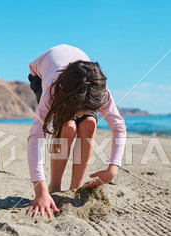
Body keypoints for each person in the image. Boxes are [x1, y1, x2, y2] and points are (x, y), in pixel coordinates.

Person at [26, 44, 127, 218]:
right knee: (68, 126)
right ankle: (54, 188)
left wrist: (112, 169)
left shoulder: (98, 88)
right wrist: (39, 191)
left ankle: (75, 188)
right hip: (43, 76)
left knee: (89, 123)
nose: (78, 113)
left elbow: (118, 126)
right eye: (78, 109)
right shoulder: (52, 87)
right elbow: (35, 137)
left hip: (82, 80)